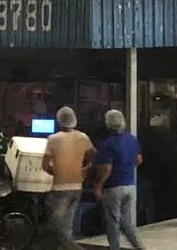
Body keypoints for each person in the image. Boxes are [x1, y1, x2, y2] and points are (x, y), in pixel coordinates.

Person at [42, 106, 95, 250]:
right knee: (68, 222)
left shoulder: (53, 139)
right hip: (77, 186)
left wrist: (58, 171)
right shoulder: (83, 137)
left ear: (59, 120)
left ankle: (74, 248)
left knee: (56, 223)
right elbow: (94, 155)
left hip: (60, 187)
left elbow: (45, 165)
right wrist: (86, 169)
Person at [94, 110, 145, 250]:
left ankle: (115, 248)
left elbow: (107, 169)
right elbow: (139, 160)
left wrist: (99, 186)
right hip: (130, 185)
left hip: (114, 186)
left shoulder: (108, 144)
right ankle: (139, 247)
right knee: (127, 223)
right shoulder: (132, 139)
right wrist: (127, 168)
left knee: (113, 222)